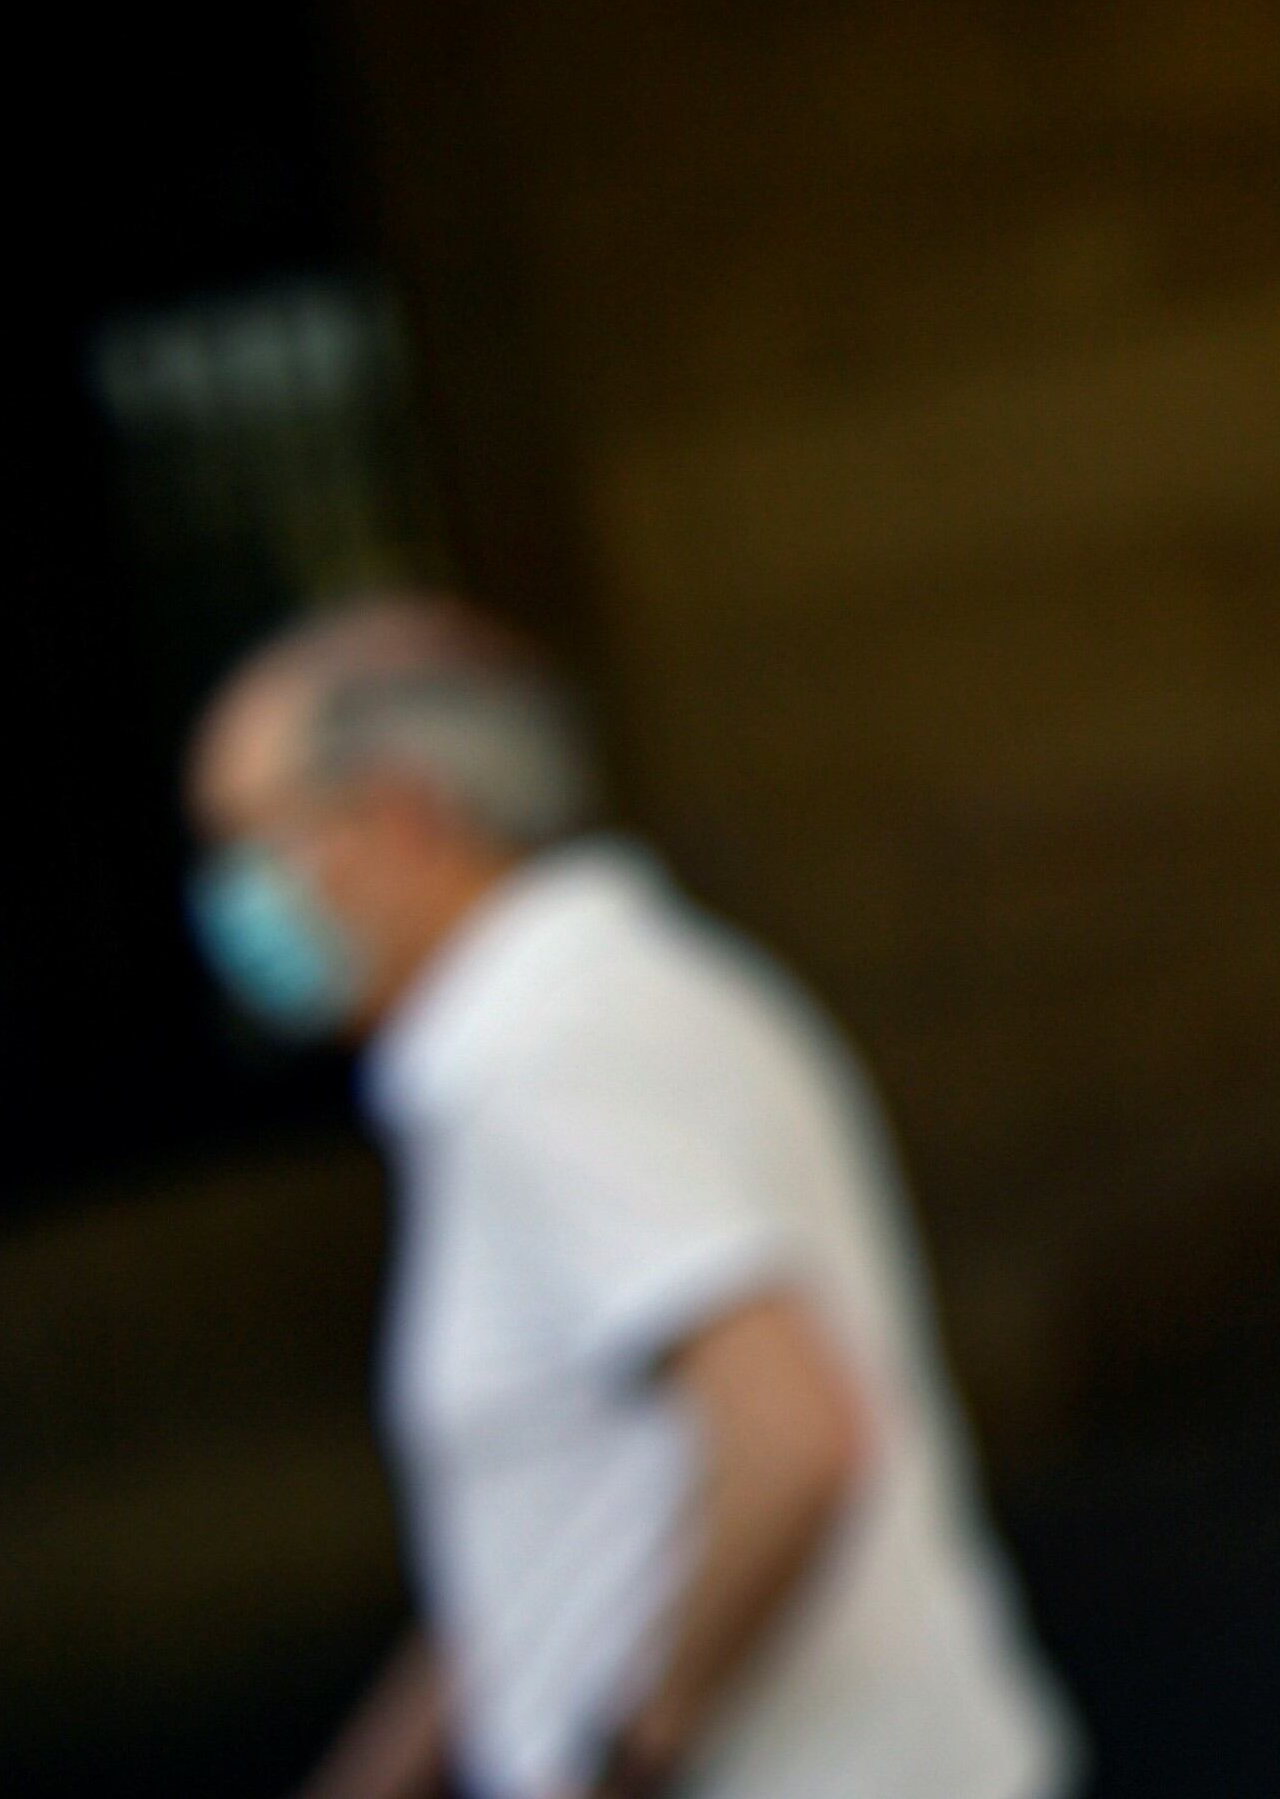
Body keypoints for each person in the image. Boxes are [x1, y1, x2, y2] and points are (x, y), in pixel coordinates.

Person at [186, 599, 1073, 1799]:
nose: (242, 900)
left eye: (262, 841)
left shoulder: (548, 1049)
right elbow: (555, 1540)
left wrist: (628, 1752)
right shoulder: (579, 1013)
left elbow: (788, 1438)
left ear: (403, 812)